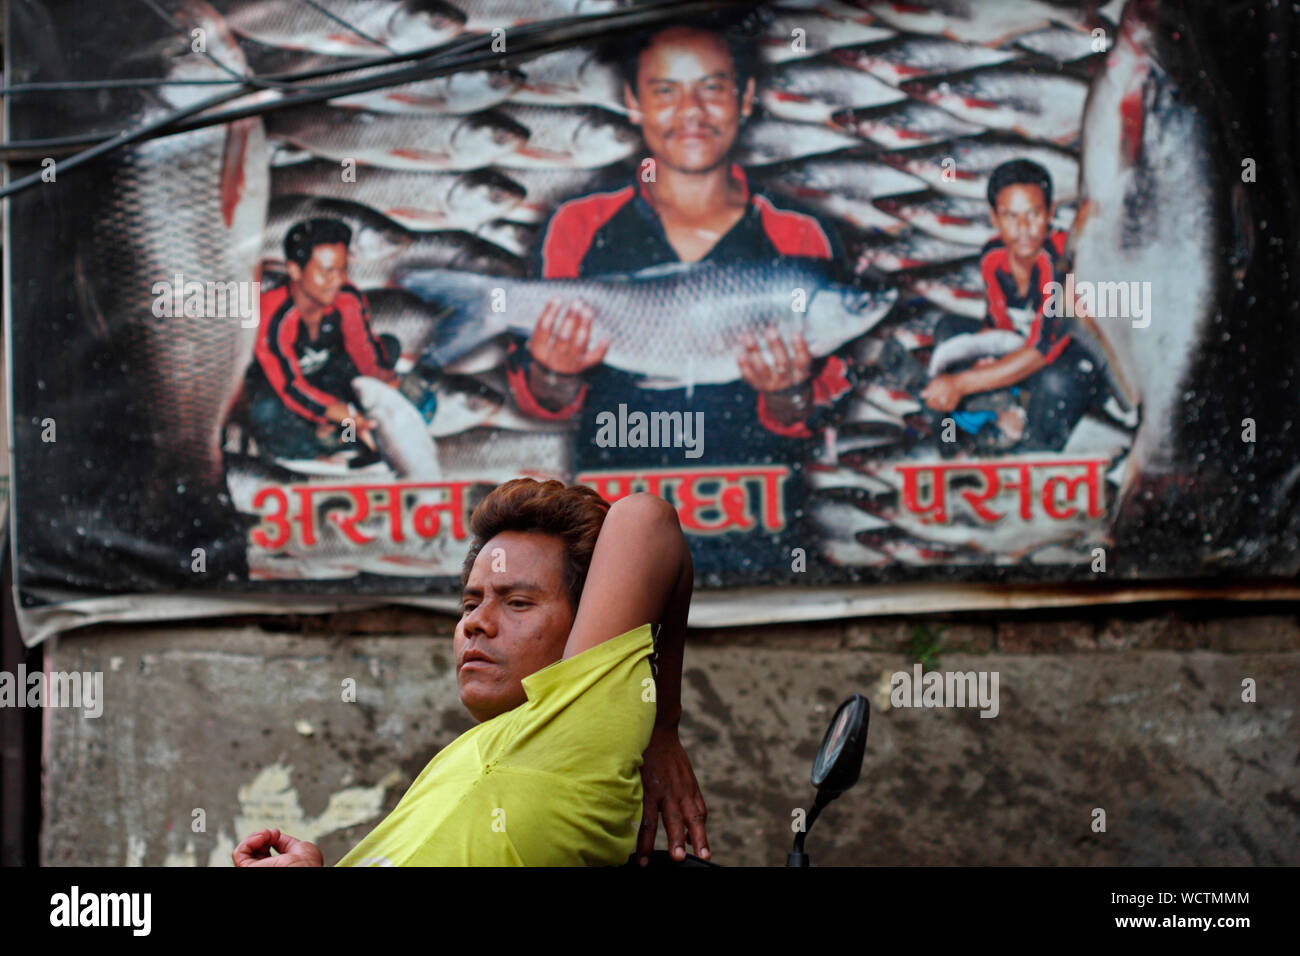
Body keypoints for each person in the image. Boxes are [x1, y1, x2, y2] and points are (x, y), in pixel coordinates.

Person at [501, 13, 854, 579]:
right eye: (665, 91)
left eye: (712, 88)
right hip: (613, 532)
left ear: (745, 97)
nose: (691, 112)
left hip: (757, 519)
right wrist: (555, 371)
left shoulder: (798, 237)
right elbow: (541, 397)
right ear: (634, 102)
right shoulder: (579, 224)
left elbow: (822, 405)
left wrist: (791, 393)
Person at [233, 479, 708, 867]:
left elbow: (646, 520)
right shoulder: (466, 754)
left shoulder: (573, 730)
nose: (475, 622)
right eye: (469, 603)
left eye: (518, 602)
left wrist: (660, 728)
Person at [919, 159, 1106, 454]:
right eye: (1010, 216)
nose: (1023, 229)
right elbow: (998, 326)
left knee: (1057, 382)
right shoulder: (992, 257)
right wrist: (986, 364)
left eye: (1034, 214)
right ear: (994, 219)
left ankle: (1033, 452)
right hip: (1026, 353)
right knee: (949, 331)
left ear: (1051, 214)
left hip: (1073, 366)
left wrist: (963, 383)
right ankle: (962, 439)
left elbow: (1041, 352)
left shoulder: (1061, 261)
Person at [243, 217, 402, 461]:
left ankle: (338, 435)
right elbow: (291, 387)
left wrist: (386, 383)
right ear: (295, 270)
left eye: (342, 269)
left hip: (323, 376)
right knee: (266, 413)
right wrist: (345, 415)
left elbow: (365, 352)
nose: (337, 280)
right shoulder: (271, 315)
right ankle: (323, 441)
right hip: (283, 389)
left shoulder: (346, 296)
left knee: (389, 346)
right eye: (327, 271)